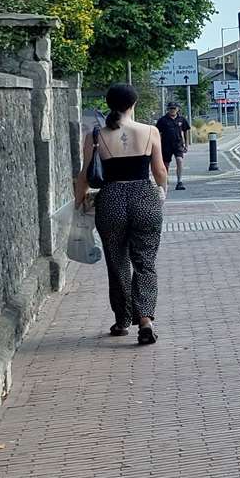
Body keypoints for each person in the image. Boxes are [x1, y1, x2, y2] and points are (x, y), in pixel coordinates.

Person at [76, 83, 168, 345]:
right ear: (133, 104)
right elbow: (159, 171)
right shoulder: (150, 131)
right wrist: (162, 193)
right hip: (144, 198)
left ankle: (122, 319)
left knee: (117, 262)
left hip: (111, 200)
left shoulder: (94, 136)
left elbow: (84, 174)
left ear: (109, 105)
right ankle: (146, 320)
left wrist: (79, 202)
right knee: (145, 263)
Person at [155, 102, 187, 190]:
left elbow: (185, 131)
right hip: (166, 144)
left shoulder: (181, 119)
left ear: (178, 109)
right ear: (168, 109)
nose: (172, 110)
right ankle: (165, 180)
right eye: (171, 108)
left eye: (174, 108)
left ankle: (179, 181)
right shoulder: (163, 120)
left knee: (179, 160)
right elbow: (157, 133)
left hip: (178, 144)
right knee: (166, 164)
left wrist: (186, 144)